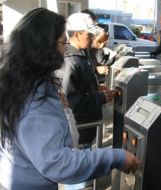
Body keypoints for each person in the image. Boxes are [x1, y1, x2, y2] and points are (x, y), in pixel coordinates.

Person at [0, 8, 139, 190]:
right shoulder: (35, 98)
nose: (65, 48)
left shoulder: (20, 83)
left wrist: (64, 110)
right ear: (44, 46)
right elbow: (58, 163)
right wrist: (114, 157)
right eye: (62, 42)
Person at [59, 12, 116, 146]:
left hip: (86, 126)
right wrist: (100, 97)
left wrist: (95, 88)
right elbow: (70, 101)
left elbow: (79, 87)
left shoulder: (81, 54)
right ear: (77, 35)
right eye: (89, 34)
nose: (92, 38)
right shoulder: (70, 60)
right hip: (79, 130)